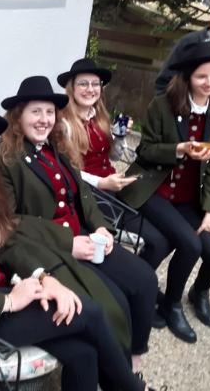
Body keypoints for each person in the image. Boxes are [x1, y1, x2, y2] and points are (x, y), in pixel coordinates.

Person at [0, 96, 156, 391]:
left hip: (6, 289)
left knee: (84, 353)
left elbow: (5, 241)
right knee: (89, 312)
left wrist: (43, 277)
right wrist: (10, 301)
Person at [0, 76, 158, 373]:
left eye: (49, 112)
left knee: (145, 280)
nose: (44, 119)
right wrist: (67, 243)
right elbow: (9, 222)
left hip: (86, 237)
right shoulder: (6, 158)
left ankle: (134, 359)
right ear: (18, 116)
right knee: (114, 303)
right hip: (52, 250)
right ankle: (124, 374)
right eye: (35, 111)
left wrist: (100, 227)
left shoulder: (57, 145)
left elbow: (83, 193)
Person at [118, 42, 210, 344]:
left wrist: (209, 214)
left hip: (188, 201)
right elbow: (145, 151)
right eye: (201, 76)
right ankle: (171, 305)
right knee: (190, 245)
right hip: (154, 191)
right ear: (187, 78)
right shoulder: (162, 105)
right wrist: (179, 149)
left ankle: (199, 292)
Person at [57, 59, 173, 308]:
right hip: (91, 194)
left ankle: (139, 284)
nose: (90, 89)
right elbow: (67, 171)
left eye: (95, 84)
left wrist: (120, 138)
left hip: (112, 185)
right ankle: (138, 287)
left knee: (165, 236)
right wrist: (101, 183)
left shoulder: (99, 116)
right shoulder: (64, 124)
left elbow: (113, 156)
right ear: (72, 88)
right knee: (156, 241)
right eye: (83, 84)